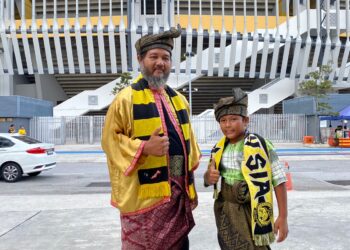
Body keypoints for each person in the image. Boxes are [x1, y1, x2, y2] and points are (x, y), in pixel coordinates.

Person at [102, 26, 201, 250]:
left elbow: (190, 144)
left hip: (177, 196)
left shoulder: (179, 100)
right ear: (140, 59)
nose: (160, 63)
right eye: (153, 57)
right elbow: (110, 141)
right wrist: (144, 147)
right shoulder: (125, 99)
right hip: (144, 199)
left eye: (165, 57)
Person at [204, 88, 288, 250]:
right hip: (225, 209)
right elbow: (208, 180)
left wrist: (283, 217)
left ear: (246, 120)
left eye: (233, 119)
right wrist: (209, 176)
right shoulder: (218, 148)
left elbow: (279, 180)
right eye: (223, 120)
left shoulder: (261, 145)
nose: (228, 125)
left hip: (252, 210)